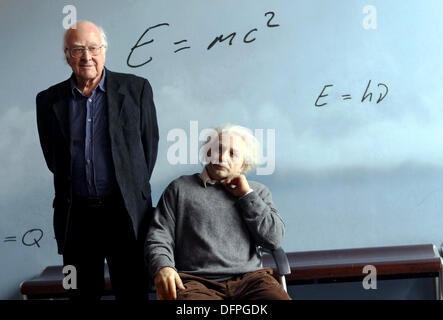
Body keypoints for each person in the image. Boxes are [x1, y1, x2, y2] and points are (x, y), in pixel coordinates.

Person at [36, 21, 159, 300]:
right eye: (78, 49)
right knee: (79, 293)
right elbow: (52, 157)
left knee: (133, 292)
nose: (86, 56)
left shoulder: (137, 89)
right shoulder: (47, 100)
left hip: (125, 213)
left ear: (104, 50)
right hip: (76, 217)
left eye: (93, 48)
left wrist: (128, 185)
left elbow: (148, 149)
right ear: (67, 55)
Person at [146, 124, 290, 300]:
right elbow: (158, 236)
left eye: (232, 153)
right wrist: (164, 266)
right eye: (217, 149)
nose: (222, 157)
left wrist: (246, 195)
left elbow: (273, 240)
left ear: (244, 163)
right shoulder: (179, 188)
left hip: (251, 281)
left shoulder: (257, 192)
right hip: (196, 282)